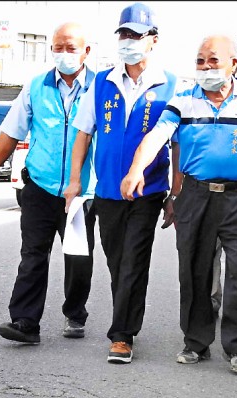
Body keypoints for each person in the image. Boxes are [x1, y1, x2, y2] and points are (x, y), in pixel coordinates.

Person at [121, 34, 237, 375]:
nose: (206, 67)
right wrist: (136, 169)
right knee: (195, 270)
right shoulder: (183, 101)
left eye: (213, 60)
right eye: (200, 61)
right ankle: (196, 341)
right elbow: (157, 136)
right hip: (196, 197)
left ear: (234, 64)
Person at [0, 22, 96, 345]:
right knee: (33, 254)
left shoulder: (100, 88)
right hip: (39, 186)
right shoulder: (37, 86)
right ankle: (25, 321)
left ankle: (75, 312)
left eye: (71, 48)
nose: (64, 54)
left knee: (79, 258)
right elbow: (12, 131)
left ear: (86, 52)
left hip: (81, 193)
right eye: (58, 47)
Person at [64, 2, 177, 365]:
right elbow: (83, 133)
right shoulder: (101, 82)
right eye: (123, 34)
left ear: (153, 41)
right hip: (108, 190)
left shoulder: (170, 85)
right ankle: (125, 319)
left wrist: (176, 192)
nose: (127, 42)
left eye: (135, 35)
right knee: (116, 261)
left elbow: (177, 142)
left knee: (134, 261)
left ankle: (122, 335)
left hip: (149, 190)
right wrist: (75, 181)